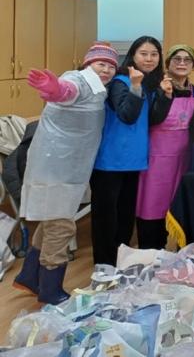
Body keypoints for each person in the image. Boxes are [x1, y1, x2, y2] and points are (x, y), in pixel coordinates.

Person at [14, 44, 118, 304]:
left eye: (110, 66)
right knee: (61, 225)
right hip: (56, 168)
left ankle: (29, 276)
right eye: (100, 64)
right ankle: (51, 289)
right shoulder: (79, 79)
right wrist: (55, 89)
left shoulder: (98, 87)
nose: (106, 70)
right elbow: (68, 91)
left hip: (67, 166)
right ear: (87, 64)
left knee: (52, 220)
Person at [91, 35, 164, 266]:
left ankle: (120, 268)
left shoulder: (148, 84)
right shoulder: (121, 82)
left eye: (154, 54)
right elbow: (127, 115)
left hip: (134, 161)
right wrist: (135, 86)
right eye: (144, 54)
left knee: (124, 220)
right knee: (106, 222)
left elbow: (152, 120)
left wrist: (166, 96)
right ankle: (104, 269)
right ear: (132, 55)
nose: (149, 59)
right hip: (109, 162)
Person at [136, 44, 194, 250]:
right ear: (168, 64)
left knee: (177, 207)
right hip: (156, 159)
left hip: (182, 160)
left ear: (193, 66)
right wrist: (165, 97)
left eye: (187, 60)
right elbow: (152, 118)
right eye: (177, 59)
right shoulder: (155, 88)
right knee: (152, 206)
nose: (182, 63)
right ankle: (150, 253)